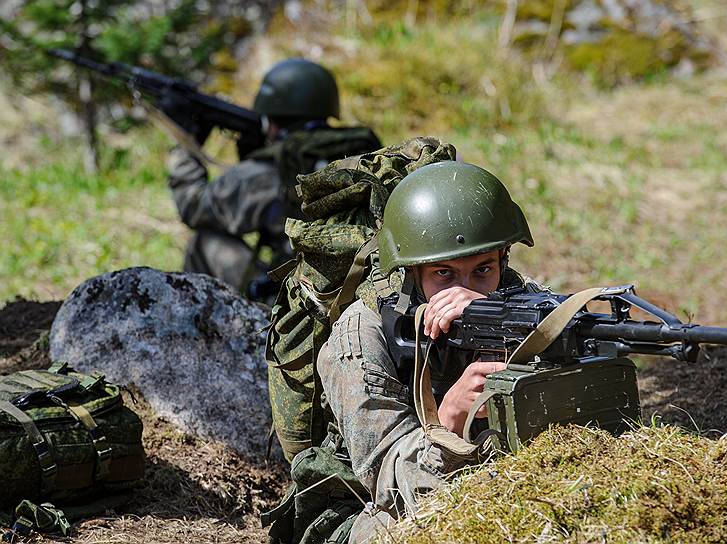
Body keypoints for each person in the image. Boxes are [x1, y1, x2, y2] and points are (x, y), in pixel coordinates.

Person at [277, 160, 535, 544]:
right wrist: (449, 417)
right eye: (443, 274)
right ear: (412, 274)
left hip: (488, 481)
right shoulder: (360, 336)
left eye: (483, 270)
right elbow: (391, 483)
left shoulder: (520, 302)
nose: (465, 293)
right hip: (364, 507)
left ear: (503, 260)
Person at [167, 59, 381, 302]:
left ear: (270, 116)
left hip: (299, 306)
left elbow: (193, 205)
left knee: (204, 242)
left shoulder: (273, 167)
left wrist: (185, 144)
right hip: (366, 293)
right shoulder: (358, 150)